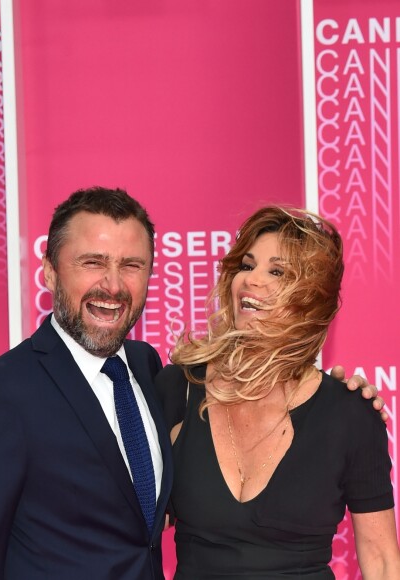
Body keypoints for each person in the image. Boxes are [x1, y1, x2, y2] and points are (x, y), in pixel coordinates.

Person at [0, 188, 384, 580]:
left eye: (131, 265)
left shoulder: (150, 374)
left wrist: (346, 403)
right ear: (50, 271)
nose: (112, 285)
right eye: (93, 262)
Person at [156, 205, 399, 579]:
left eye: (277, 272)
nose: (252, 280)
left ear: (311, 300)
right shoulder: (179, 390)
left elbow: (381, 560)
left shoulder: (351, 413)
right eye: (247, 266)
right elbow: (134, 523)